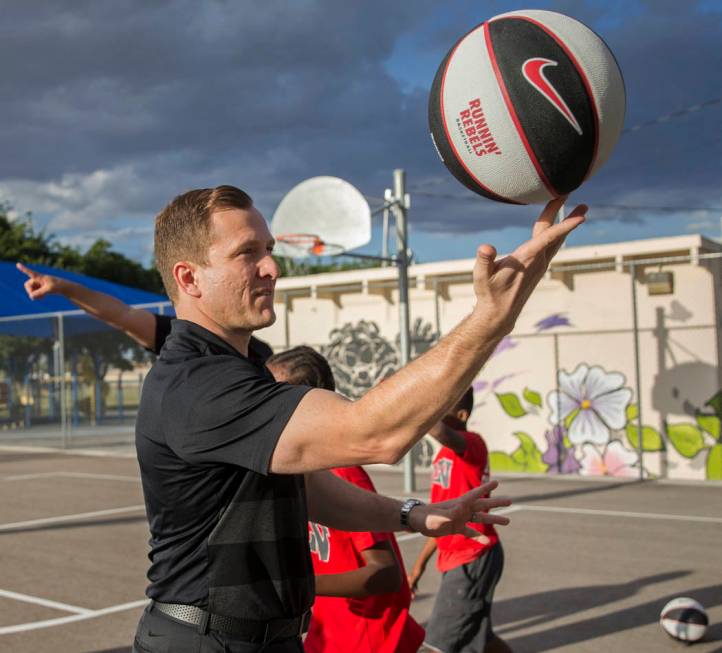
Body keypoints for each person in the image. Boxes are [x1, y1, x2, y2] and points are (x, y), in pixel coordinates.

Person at [132, 184, 585, 653]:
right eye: (247, 253)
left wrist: (412, 515)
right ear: (189, 279)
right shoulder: (198, 385)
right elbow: (375, 434)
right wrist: (493, 317)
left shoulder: (235, 371)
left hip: (260, 639)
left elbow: (307, 489)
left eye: (268, 249)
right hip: (204, 642)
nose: (272, 267)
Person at [265, 346, 425, 653]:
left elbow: (387, 573)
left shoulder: (341, 470)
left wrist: (301, 585)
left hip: (366, 639)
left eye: (273, 392)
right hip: (330, 634)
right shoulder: (300, 465)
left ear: (306, 401)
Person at [408, 388, 511, 653]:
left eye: (444, 408)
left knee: (436, 645)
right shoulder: (443, 457)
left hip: (473, 556)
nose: (438, 413)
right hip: (458, 558)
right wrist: (419, 566)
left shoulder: (473, 444)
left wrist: (413, 403)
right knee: (480, 640)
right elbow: (440, 520)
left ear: (463, 415)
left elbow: (441, 432)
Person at [16, 261, 273, 362]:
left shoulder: (262, 355)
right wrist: (65, 288)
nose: (270, 271)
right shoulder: (183, 339)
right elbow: (121, 315)